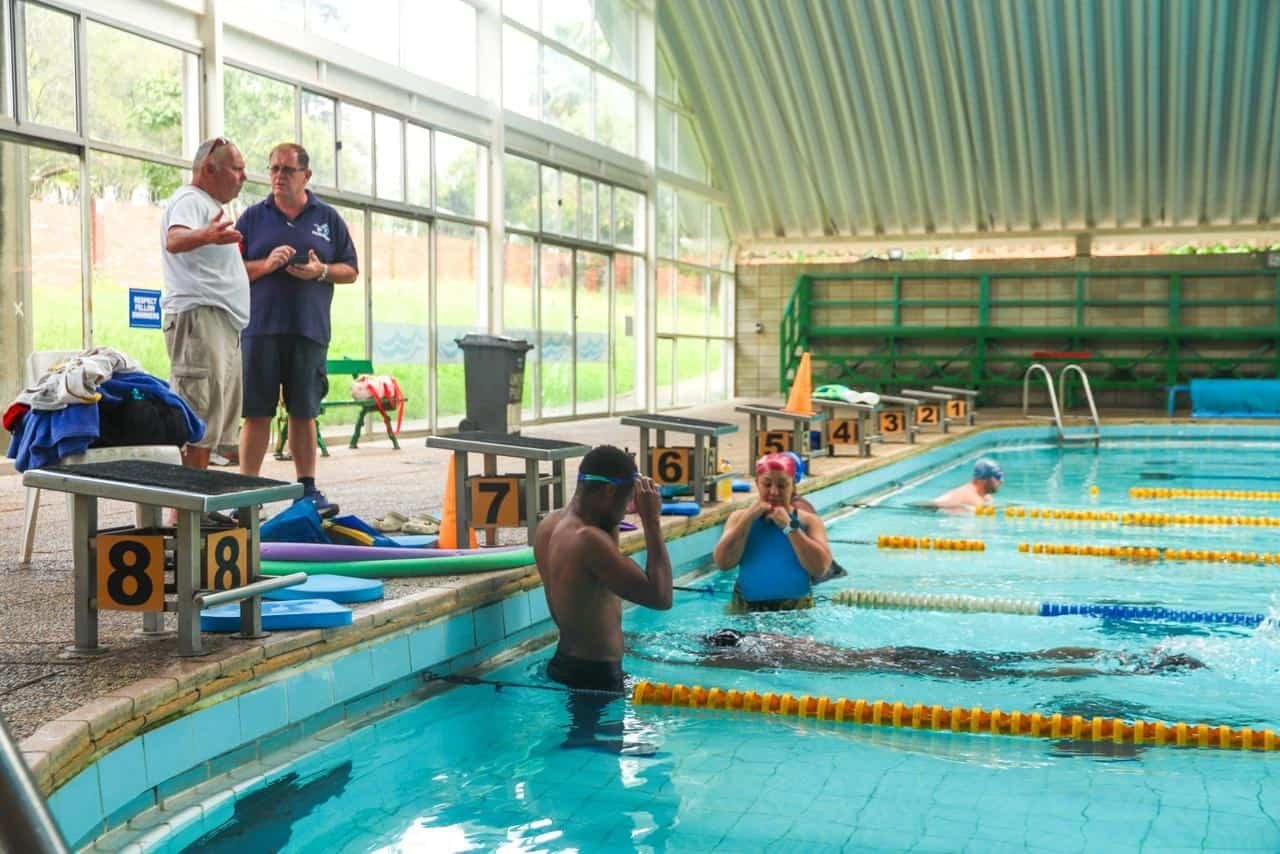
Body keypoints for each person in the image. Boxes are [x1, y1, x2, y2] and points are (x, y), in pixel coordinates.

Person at [235, 143, 358, 517]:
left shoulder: (329, 218)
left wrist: (320, 271)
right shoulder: (252, 218)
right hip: (260, 328)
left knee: (304, 411)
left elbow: (350, 271)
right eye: (273, 168)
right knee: (257, 412)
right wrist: (267, 264)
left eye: (287, 169)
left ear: (306, 175)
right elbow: (232, 270)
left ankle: (307, 491)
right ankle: (247, 494)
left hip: (308, 330)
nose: (278, 176)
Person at [534, 445, 673, 695]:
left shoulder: (550, 526)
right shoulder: (589, 540)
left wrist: (624, 491)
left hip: (565, 662)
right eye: (628, 501)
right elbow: (661, 597)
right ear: (609, 491)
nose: (628, 511)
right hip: (596, 676)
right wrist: (652, 521)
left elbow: (603, 574)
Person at [160, 136, 249, 473]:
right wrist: (207, 235)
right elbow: (175, 239)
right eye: (237, 169)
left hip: (220, 323)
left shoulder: (211, 208)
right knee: (198, 420)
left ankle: (198, 507)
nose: (243, 177)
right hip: (200, 320)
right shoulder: (189, 200)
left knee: (213, 421)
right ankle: (185, 514)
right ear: (209, 169)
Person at [635, 629, 1205, 681]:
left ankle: (1140, 665)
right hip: (893, 651)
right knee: (1014, 660)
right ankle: (1127, 656)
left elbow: (696, 663)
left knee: (1005, 677)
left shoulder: (759, 656)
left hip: (892, 664)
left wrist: (642, 650)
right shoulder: (778, 643)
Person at [713, 452, 832, 611]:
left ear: (793, 486)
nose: (774, 492)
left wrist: (790, 527)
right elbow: (723, 563)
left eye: (782, 485)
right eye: (767, 484)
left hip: (795, 611)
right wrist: (748, 519)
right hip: (745, 610)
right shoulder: (738, 518)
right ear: (757, 483)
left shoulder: (808, 522)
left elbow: (820, 568)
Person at [926, 457, 1004, 512]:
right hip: (926, 510)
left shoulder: (986, 497)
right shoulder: (973, 499)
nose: (1001, 480)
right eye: (998, 477)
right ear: (984, 479)